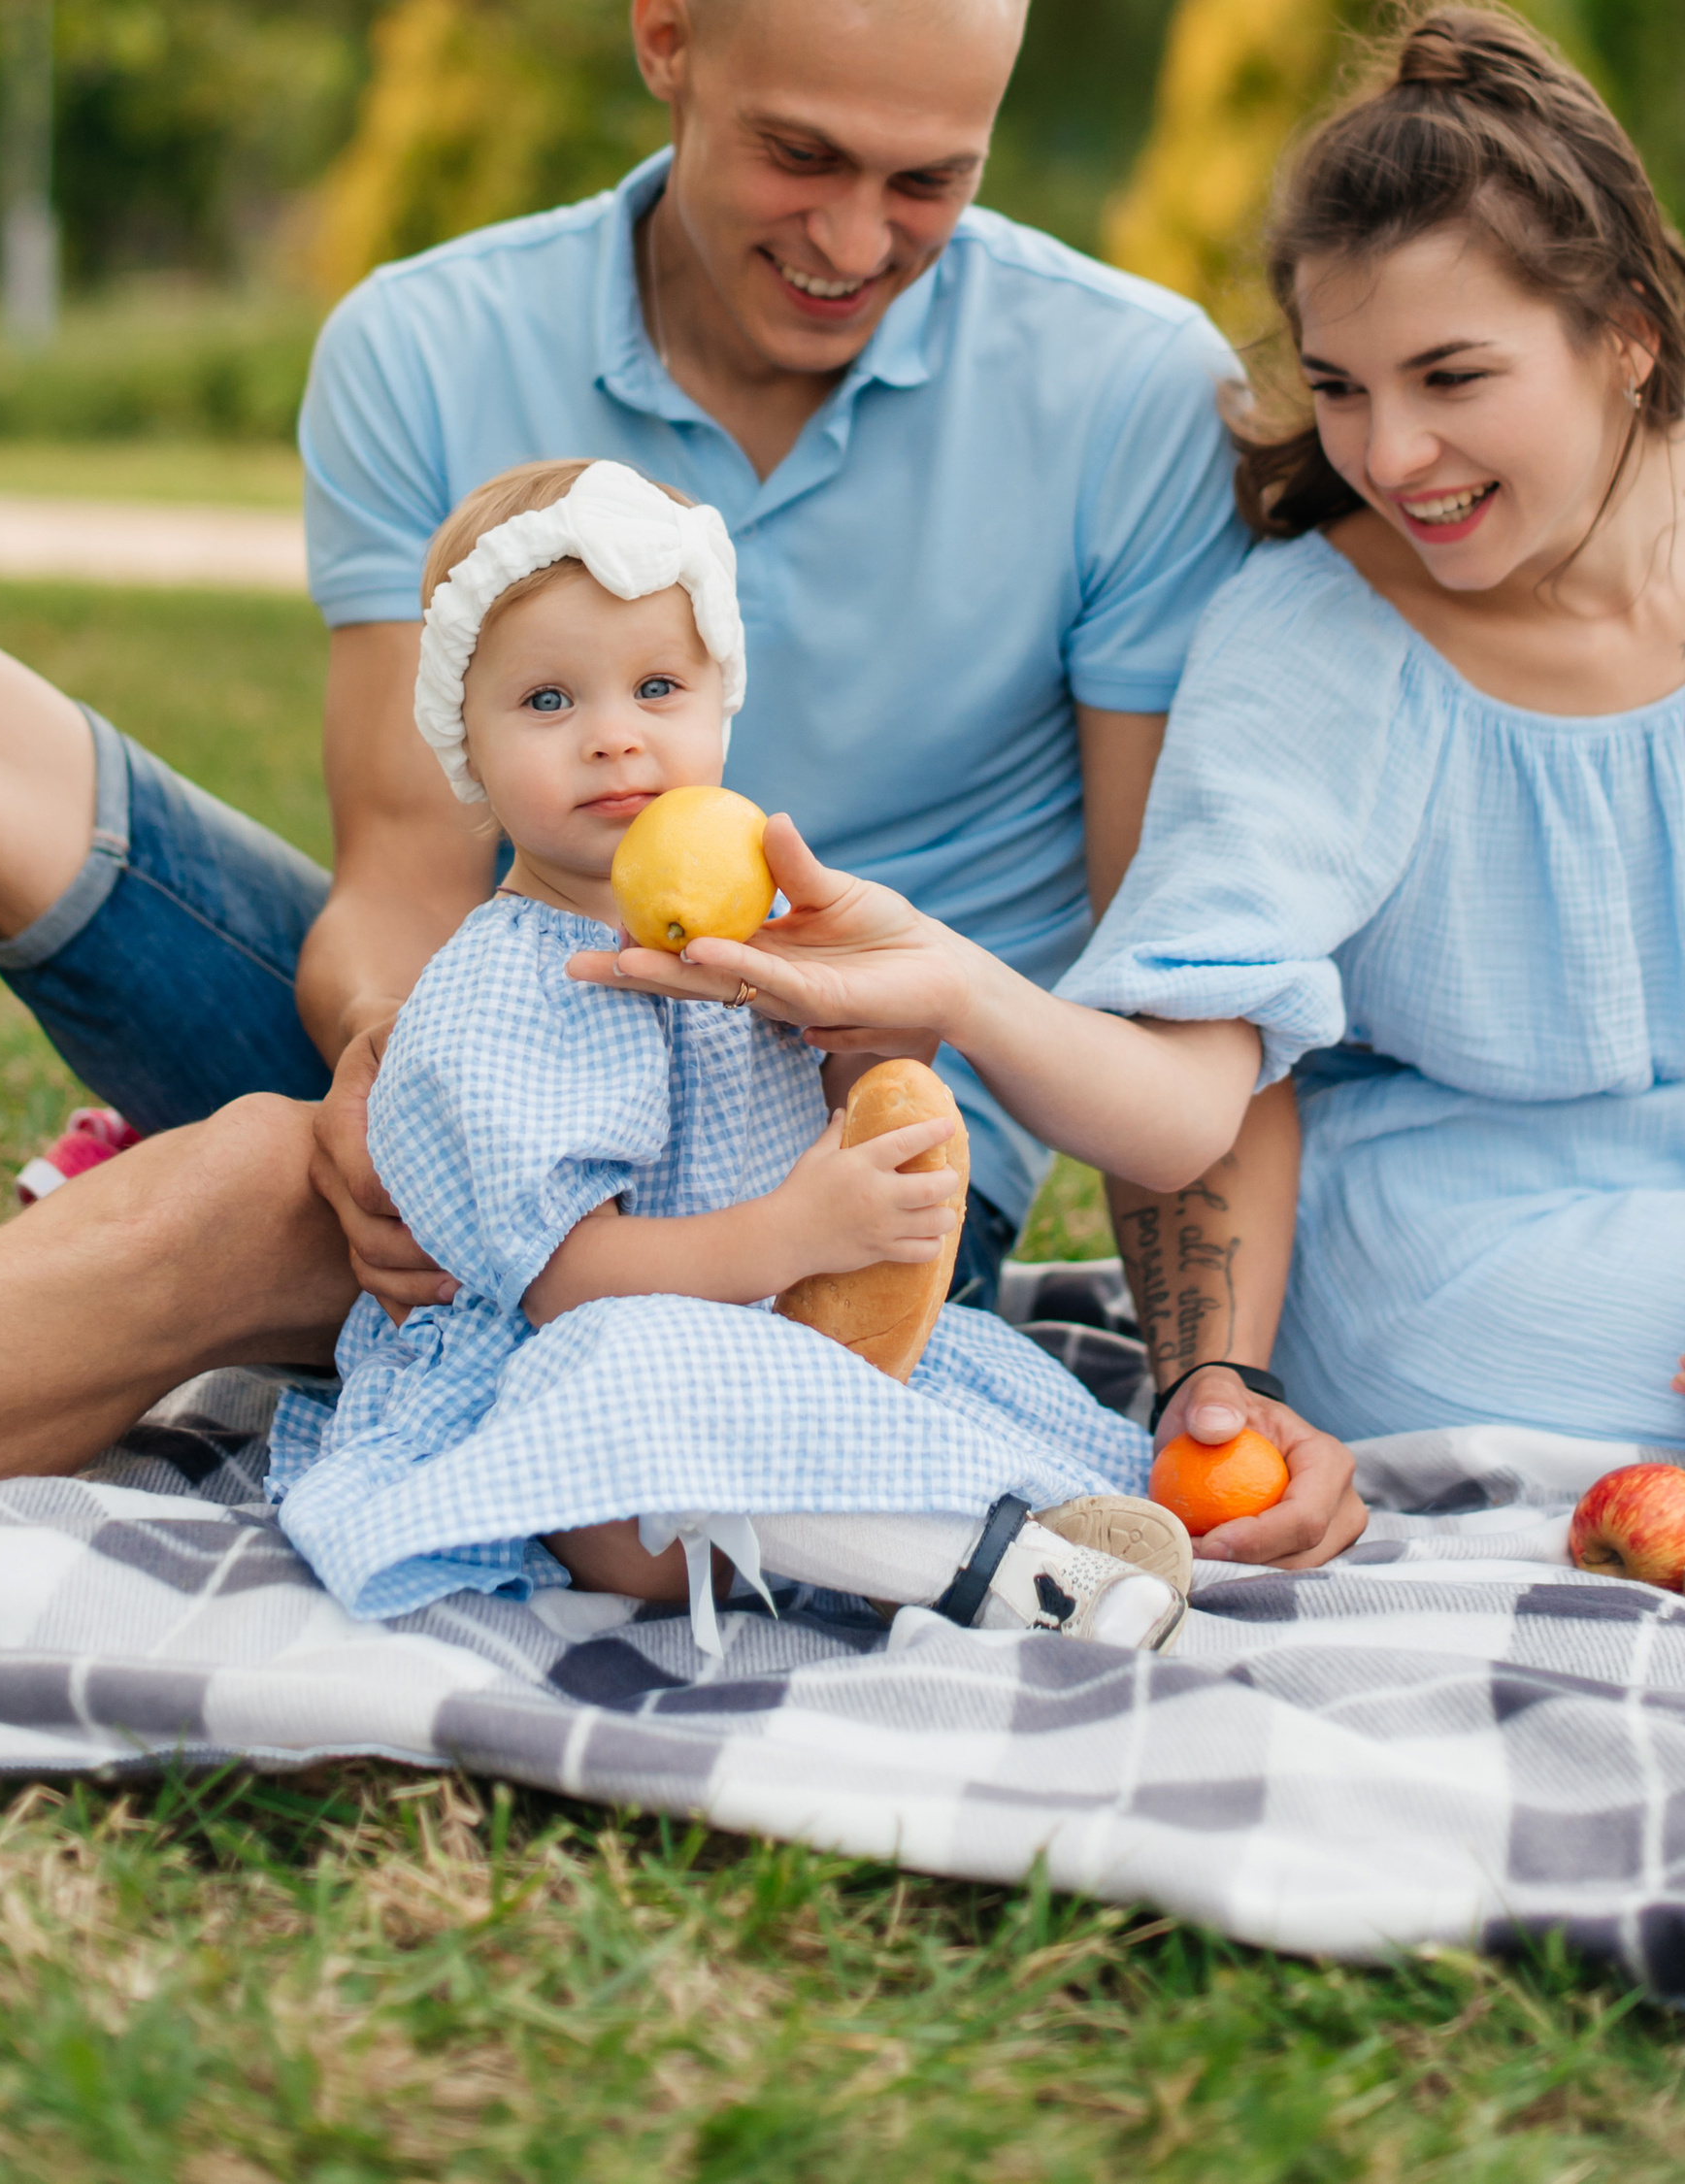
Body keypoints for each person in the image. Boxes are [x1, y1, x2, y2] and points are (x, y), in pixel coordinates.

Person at [0, 0, 1363, 1569]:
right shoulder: (423, 343)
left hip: (826, 1181)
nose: (857, 236)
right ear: (668, 44)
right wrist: (391, 1083)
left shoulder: (1128, 394)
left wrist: (1215, 1381)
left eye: (929, 178)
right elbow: (408, 882)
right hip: (483, 1007)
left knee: (238, 1187)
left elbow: (1167, 959)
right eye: (799, 152)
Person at [1042, 0, 1685, 1505]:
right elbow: (1205, 1058)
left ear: (1627, 338)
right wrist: (1216, 1400)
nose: (1387, 455)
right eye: (1340, 385)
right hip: (1452, 1238)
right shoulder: (1313, 642)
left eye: (1451, 377)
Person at [270, 452, 1211, 1657]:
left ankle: (1013, 1520)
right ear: (466, 739)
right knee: (639, 1375)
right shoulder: (510, 986)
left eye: (657, 686)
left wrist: (875, 1051)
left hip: (771, 1331)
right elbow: (563, 1288)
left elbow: (788, 1128)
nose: (614, 741)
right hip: (569, 1392)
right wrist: (794, 1237)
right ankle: (992, 1569)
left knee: (961, 1362)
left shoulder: (743, 942)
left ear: (723, 701)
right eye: (549, 702)